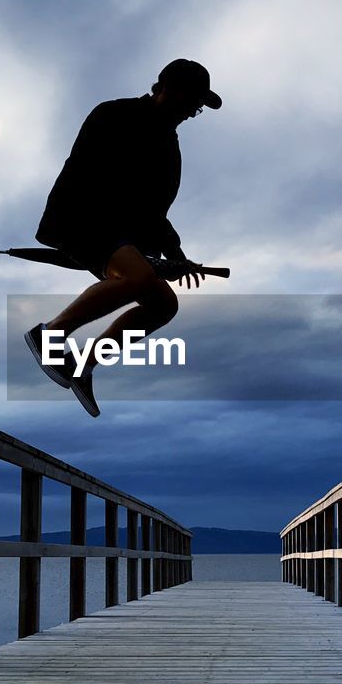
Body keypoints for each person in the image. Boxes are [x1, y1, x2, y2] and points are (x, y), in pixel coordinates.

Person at [24, 59, 221, 417]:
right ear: (168, 88)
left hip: (117, 233)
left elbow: (155, 211)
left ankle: (82, 366)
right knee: (137, 278)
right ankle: (49, 335)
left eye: (199, 108)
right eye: (193, 101)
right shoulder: (115, 115)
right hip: (80, 216)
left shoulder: (169, 148)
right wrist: (140, 256)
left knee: (164, 304)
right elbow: (96, 176)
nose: (194, 112)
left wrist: (173, 252)